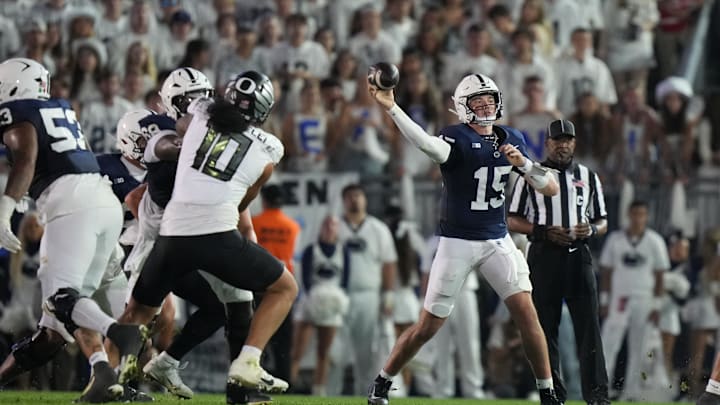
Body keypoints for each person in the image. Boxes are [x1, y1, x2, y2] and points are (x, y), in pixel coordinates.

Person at [366, 72, 561, 405]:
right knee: (428, 326)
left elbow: (551, 188)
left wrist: (525, 164)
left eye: (489, 100)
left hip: (498, 240)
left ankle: (548, 392)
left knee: (528, 314)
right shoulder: (454, 136)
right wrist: (392, 108)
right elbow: (426, 145)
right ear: (463, 107)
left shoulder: (511, 137)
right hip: (457, 242)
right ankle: (383, 382)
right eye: (477, 101)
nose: (485, 106)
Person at [116, 70, 298, 393]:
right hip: (216, 233)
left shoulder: (199, 113)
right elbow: (244, 199)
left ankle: (114, 377)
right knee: (283, 288)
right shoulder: (271, 148)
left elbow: (184, 130)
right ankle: (249, 362)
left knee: (139, 312)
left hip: (171, 235)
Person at [0, 58, 145, 402]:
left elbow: (26, 159)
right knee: (53, 329)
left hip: (70, 203)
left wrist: (5, 208)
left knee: (60, 299)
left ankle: (117, 334)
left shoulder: (17, 111)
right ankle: (106, 376)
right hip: (101, 200)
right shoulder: (59, 108)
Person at [507, 119, 610, 405]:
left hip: (579, 256)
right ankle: (552, 393)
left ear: (574, 143)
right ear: (547, 143)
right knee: (544, 328)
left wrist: (589, 229)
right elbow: (512, 218)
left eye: (568, 139)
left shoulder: (589, 176)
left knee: (589, 327)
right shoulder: (530, 173)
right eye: (557, 140)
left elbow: (602, 220)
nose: (563, 144)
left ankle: (597, 395)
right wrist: (541, 231)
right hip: (544, 255)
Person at [599, 200, 670, 400]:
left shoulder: (655, 241)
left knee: (640, 346)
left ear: (646, 217)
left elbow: (660, 275)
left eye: (642, 214)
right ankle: (602, 388)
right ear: (628, 215)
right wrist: (604, 300)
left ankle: (633, 392)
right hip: (619, 298)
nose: (638, 218)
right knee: (609, 343)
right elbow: (606, 271)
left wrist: (657, 305)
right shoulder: (615, 239)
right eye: (635, 214)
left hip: (644, 299)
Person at [290, 214, 349, 396]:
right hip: (310, 301)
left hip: (332, 303)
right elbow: (306, 279)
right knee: (298, 350)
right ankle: (289, 385)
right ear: (322, 227)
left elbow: (345, 280)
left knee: (324, 351)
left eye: (334, 224)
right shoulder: (311, 249)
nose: (330, 228)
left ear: (338, 228)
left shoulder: (343, 251)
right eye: (327, 224)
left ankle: (319, 390)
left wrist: (335, 300)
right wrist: (313, 301)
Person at [252, 184, 301, 383]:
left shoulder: (255, 223)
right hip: (283, 286)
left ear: (264, 200)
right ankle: (285, 382)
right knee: (283, 341)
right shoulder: (292, 226)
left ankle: (253, 380)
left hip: (257, 284)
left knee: (256, 337)